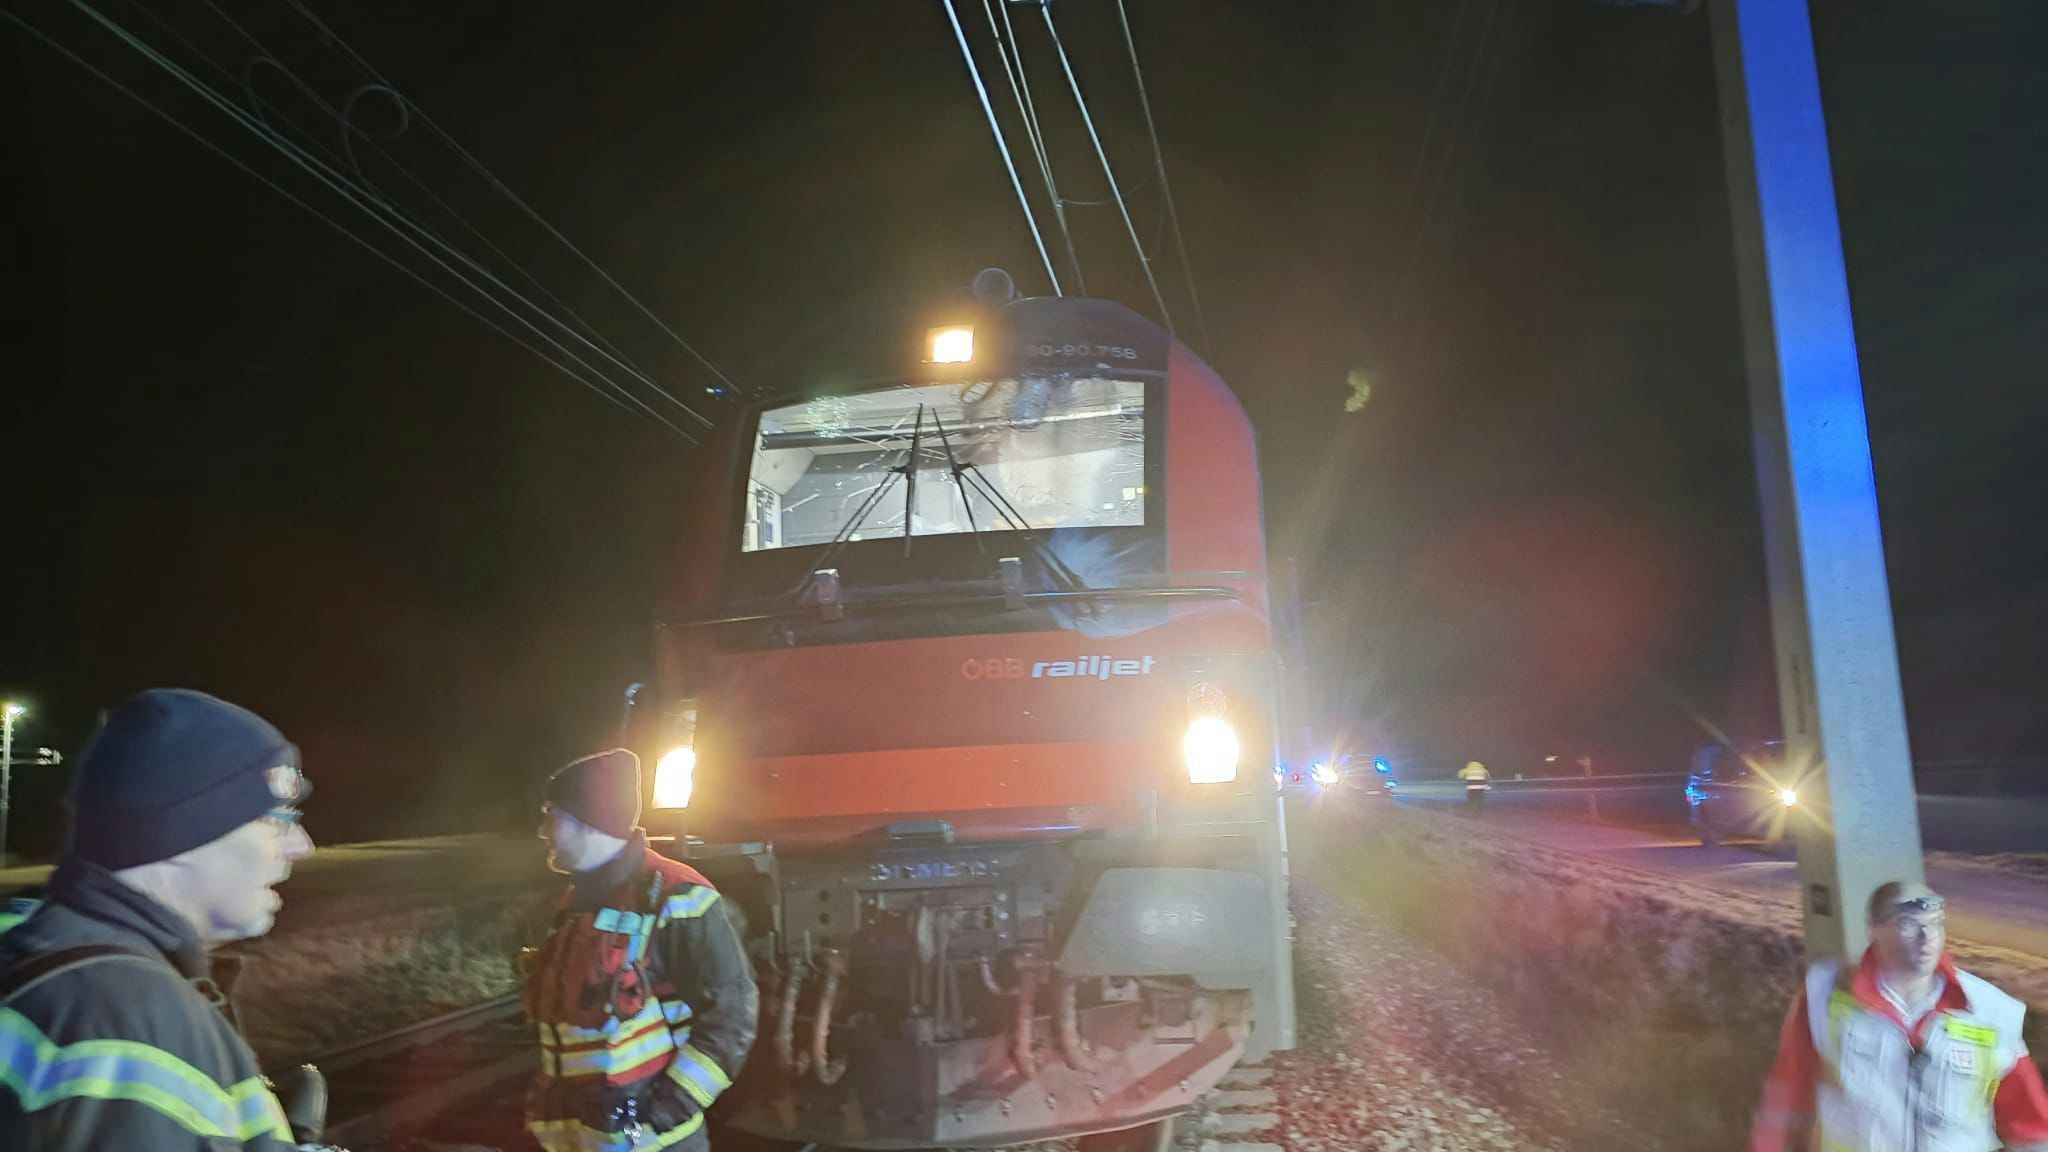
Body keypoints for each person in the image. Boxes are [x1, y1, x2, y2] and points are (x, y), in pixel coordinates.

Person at [0, 688, 317, 1150]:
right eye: (275, 819)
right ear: (180, 837)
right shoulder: (134, 1023)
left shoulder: (34, 945)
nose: (301, 846)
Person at [524, 749, 758, 1152]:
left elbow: (731, 1018)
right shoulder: (577, 901)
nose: (543, 830)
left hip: (653, 1143)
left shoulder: (677, 896)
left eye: (553, 815)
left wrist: (666, 1109)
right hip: (581, 1139)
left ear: (590, 823)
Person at [1750, 880, 2048, 1152]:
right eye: (1909, 924)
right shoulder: (1824, 997)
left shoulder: (1989, 1010)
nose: (1927, 937)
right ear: (1874, 929)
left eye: (1935, 924)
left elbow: (2031, 1126)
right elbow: (1785, 1101)